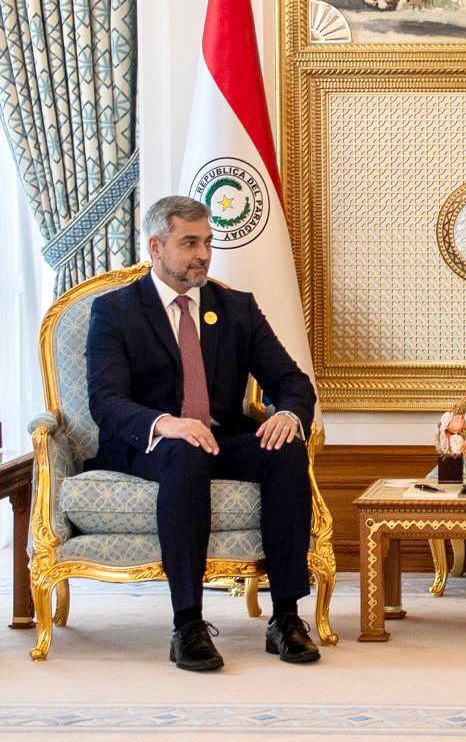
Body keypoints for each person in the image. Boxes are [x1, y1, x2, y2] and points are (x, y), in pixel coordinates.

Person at [86, 196, 320, 671]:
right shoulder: (115, 311)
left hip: (222, 437)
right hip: (150, 445)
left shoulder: (235, 308)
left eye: (208, 242)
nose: (203, 255)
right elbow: (106, 401)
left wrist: (288, 415)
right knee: (185, 450)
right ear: (156, 246)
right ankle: (188, 624)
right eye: (189, 243)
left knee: (286, 449)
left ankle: (286, 617)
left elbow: (292, 383)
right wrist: (165, 423)